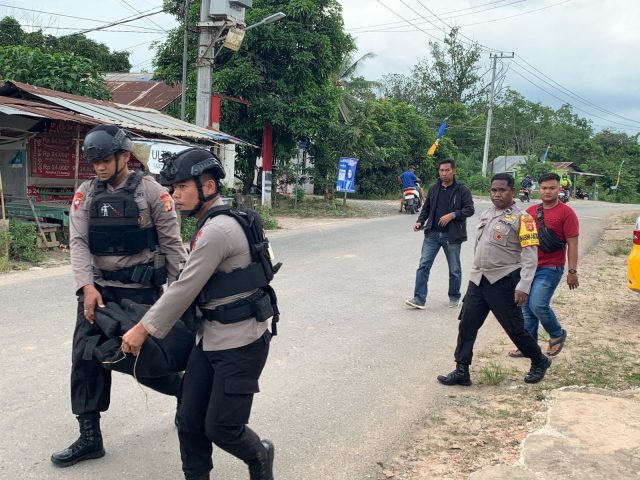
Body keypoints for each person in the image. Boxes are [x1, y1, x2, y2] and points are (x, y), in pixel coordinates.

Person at [121, 148, 276, 480]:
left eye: (181, 187)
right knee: (189, 420)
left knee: (222, 427)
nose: (174, 195)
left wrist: (142, 329)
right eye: (173, 188)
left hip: (241, 343)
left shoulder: (217, 231)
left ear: (208, 186)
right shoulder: (215, 223)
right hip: (210, 338)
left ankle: (260, 455)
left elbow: (184, 289)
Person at [51, 125, 187, 467]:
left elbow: (173, 246)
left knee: (143, 361)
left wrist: (183, 297)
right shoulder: (86, 193)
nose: (99, 167)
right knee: (85, 359)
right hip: (97, 293)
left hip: (141, 294)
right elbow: (78, 242)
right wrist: (86, 286)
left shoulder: (152, 192)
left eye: (105, 160)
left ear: (124, 156)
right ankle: (89, 437)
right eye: (94, 161)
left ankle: (183, 390)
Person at [437, 173, 552, 386]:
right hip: (478, 279)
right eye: (493, 190)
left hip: (504, 280)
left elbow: (530, 256)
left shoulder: (523, 219)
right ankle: (461, 370)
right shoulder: (487, 213)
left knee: (514, 328)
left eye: (502, 190)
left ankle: (539, 360)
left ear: (512, 192)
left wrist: (524, 286)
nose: (497, 194)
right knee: (467, 325)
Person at [509, 173, 579, 358]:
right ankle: (529, 346)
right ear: (538, 189)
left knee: (538, 304)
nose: (548, 191)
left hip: (551, 267)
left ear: (559, 189)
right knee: (525, 307)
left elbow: (573, 243)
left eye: (552, 188)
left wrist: (572, 271)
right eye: (544, 188)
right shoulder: (530, 211)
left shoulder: (567, 213)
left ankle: (556, 334)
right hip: (528, 267)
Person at [405, 159, 474, 309]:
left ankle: (454, 296)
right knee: (423, 265)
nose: (444, 173)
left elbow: (469, 209)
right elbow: (426, 208)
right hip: (432, 234)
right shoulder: (434, 188)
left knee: (454, 269)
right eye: (441, 170)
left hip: (452, 235)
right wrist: (420, 221)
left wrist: (453, 215)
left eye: (447, 170)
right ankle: (419, 299)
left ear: (453, 171)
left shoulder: (462, 189)